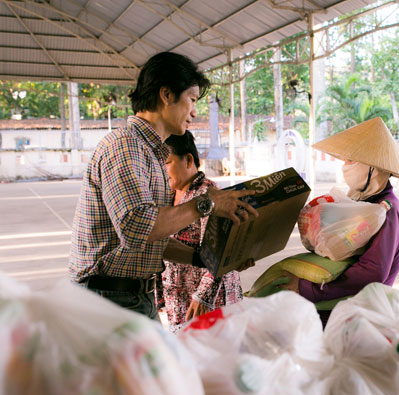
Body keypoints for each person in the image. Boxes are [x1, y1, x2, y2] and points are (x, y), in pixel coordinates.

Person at [69, 52, 258, 320]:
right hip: (109, 299)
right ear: (166, 95)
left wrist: (210, 260)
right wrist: (209, 203)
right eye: (191, 99)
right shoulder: (125, 146)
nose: (194, 111)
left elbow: (152, 237)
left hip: (132, 297)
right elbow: (136, 228)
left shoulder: (150, 155)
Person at [277, 117, 399, 327]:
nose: (344, 166)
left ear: (373, 168)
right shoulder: (360, 200)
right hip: (344, 307)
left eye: (351, 160)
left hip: (363, 314)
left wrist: (307, 288)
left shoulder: (385, 210)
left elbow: (373, 271)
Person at [157, 131, 243, 332]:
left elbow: (220, 251)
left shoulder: (211, 195)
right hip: (178, 299)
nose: (163, 170)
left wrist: (202, 296)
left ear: (188, 160)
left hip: (208, 302)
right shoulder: (166, 196)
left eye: (167, 163)